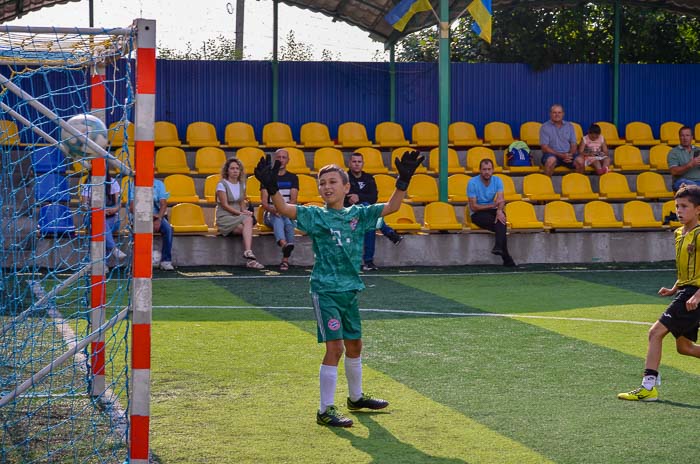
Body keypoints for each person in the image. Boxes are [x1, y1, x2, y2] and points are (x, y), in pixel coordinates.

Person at [254, 150, 424, 427]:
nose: (327, 187)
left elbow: (391, 207)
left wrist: (403, 180)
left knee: (355, 344)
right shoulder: (314, 216)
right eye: (322, 183)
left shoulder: (359, 214)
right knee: (335, 348)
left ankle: (355, 398)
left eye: (333, 182)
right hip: (325, 290)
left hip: (349, 290)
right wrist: (272, 188)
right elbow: (284, 210)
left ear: (346, 187)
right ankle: (325, 410)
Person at [618, 184, 700, 402]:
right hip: (686, 292)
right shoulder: (679, 234)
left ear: (698, 209)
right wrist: (675, 288)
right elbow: (687, 268)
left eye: (684, 206)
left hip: (694, 296)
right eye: (677, 206)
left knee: (655, 333)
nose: (679, 211)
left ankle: (648, 387)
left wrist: (698, 294)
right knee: (685, 348)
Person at [344, 152, 403, 271]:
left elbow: (373, 197)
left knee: (369, 217)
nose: (356, 164)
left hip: (365, 214)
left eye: (359, 162)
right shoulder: (344, 178)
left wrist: (358, 197)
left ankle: (369, 262)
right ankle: (388, 233)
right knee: (368, 211)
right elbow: (345, 197)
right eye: (354, 161)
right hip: (348, 214)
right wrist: (359, 198)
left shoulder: (369, 178)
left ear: (363, 163)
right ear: (349, 163)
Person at [215, 157, 264, 269]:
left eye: (237, 168)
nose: (235, 171)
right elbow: (225, 205)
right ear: (227, 170)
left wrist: (245, 212)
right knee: (248, 222)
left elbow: (242, 204)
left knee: (246, 231)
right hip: (225, 217)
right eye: (232, 168)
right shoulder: (222, 184)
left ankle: (250, 257)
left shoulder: (242, 184)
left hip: (237, 216)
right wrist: (241, 214)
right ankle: (248, 253)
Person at [467, 159, 516, 267]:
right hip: (477, 214)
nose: (487, 172)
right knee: (501, 225)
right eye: (484, 169)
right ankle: (506, 257)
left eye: (489, 169)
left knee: (501, 218)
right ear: (480, 170)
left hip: (492, 210)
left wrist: (499, 211)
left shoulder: (497, 180)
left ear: (493, 170)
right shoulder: (472, 183)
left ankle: (499, 249)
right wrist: (494, 205)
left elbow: (501, 200)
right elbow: (474, 207)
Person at [260, 149, 298, 271]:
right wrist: (275, 210)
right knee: (279, 218)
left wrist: (283, 209)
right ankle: (284, 247)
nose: (281, 160)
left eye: (283, 157)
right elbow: (265, 203)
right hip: (270, 213)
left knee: (286, 221)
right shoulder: (267, 177)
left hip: (285, 211)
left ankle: (284, 254)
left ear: (288, 160)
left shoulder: (293, 178)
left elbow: (293, 200)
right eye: (278, 158)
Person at [81, 171, 127, 265]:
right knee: (100, 223)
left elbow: (118, 204)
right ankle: (113, 248)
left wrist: (114, 210)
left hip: (111, 217)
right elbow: (84, 206)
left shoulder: (113, 182)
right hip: (92, 218)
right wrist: (97, 211)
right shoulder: (88, 184)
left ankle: (102, 265)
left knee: (103, 226)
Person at [539, 104, 584, 176]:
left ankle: (577, 185)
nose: (557, 115)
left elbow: (573, 144)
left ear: (563, 114)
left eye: (559, 112)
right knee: (550, 161)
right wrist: (561, 155)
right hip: (552, 155)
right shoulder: (545, 127)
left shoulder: (569, 126)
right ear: (550, 114)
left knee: (580, 161)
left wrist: (570, 155)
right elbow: (544, 148)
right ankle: (547, 185)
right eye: (554, 112)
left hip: (568, 154)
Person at [668, 126, 700, 191]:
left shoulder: (698, 150)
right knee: (686, 183)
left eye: (687, 135)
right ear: (679, 137)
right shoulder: (674, 152)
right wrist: (690, 165)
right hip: (682, 182)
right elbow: (674, 171)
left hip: (698, 181)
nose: (685, 138)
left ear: (692, 137)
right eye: (682, 136)